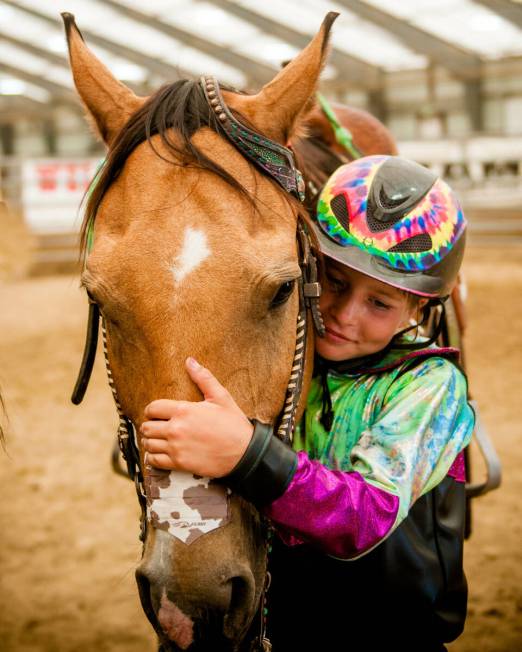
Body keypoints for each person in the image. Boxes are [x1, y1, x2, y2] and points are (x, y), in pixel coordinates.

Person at [141, 155, 474, 651]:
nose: (342, 314)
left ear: (418, 306)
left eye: (379, 303)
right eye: (335, 282)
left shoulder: (431, 385)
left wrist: (248, 454)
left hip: (391, 637)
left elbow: (367, 516)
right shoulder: (294, 353)